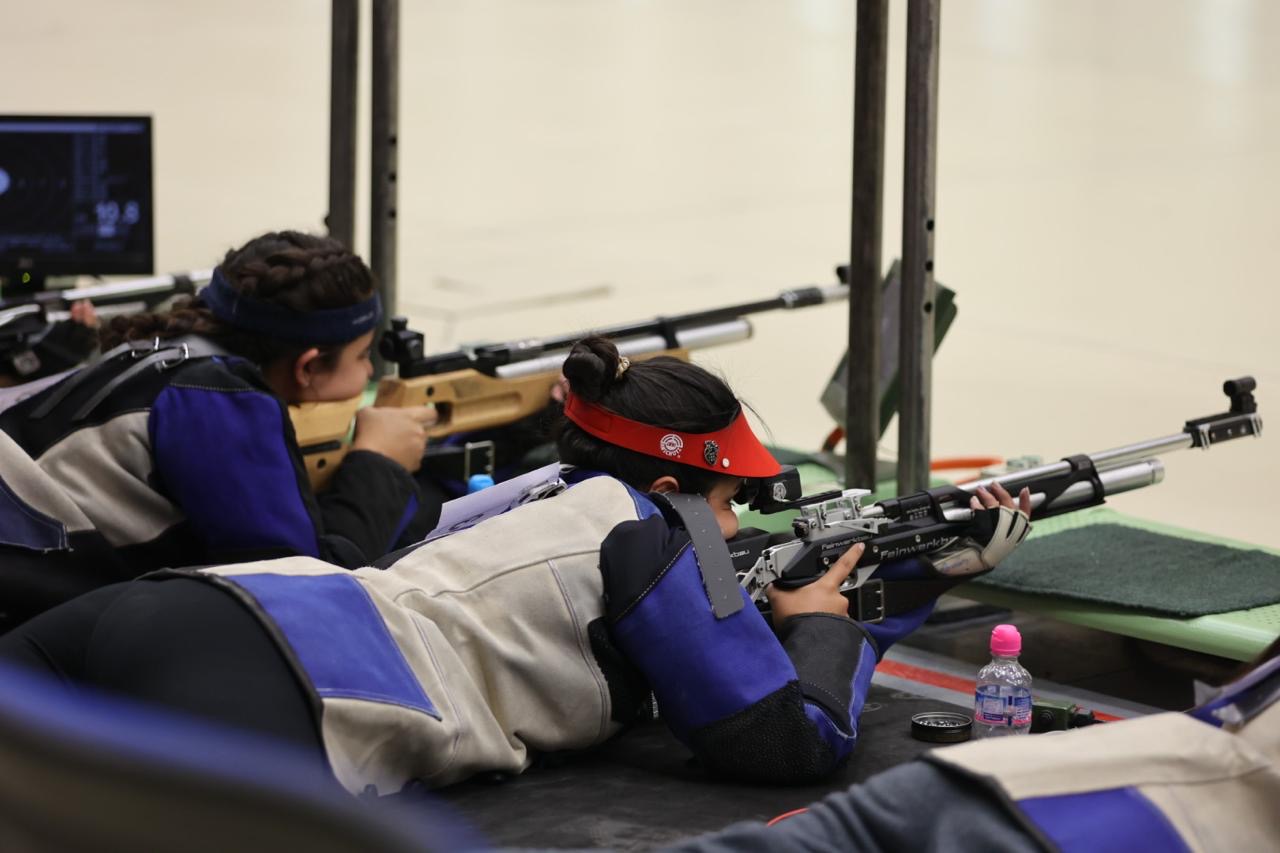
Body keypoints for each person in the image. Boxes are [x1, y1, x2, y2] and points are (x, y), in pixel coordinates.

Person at [0, 336, 1031, 794]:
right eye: (732, 501)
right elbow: (780, 734)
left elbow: (647, 629)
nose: (734, 524)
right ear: (679, 488)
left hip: (180, 611)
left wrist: (909, 583)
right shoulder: (661, 531)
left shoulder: (515, 496)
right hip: (293, 684)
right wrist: (834, 619)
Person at [0, 231, 439, 628]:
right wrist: (378, 462)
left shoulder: (157, 359)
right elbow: (302, 588)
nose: (368, 370)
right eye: (363, 355)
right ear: (308, 365)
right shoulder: (220, 400)